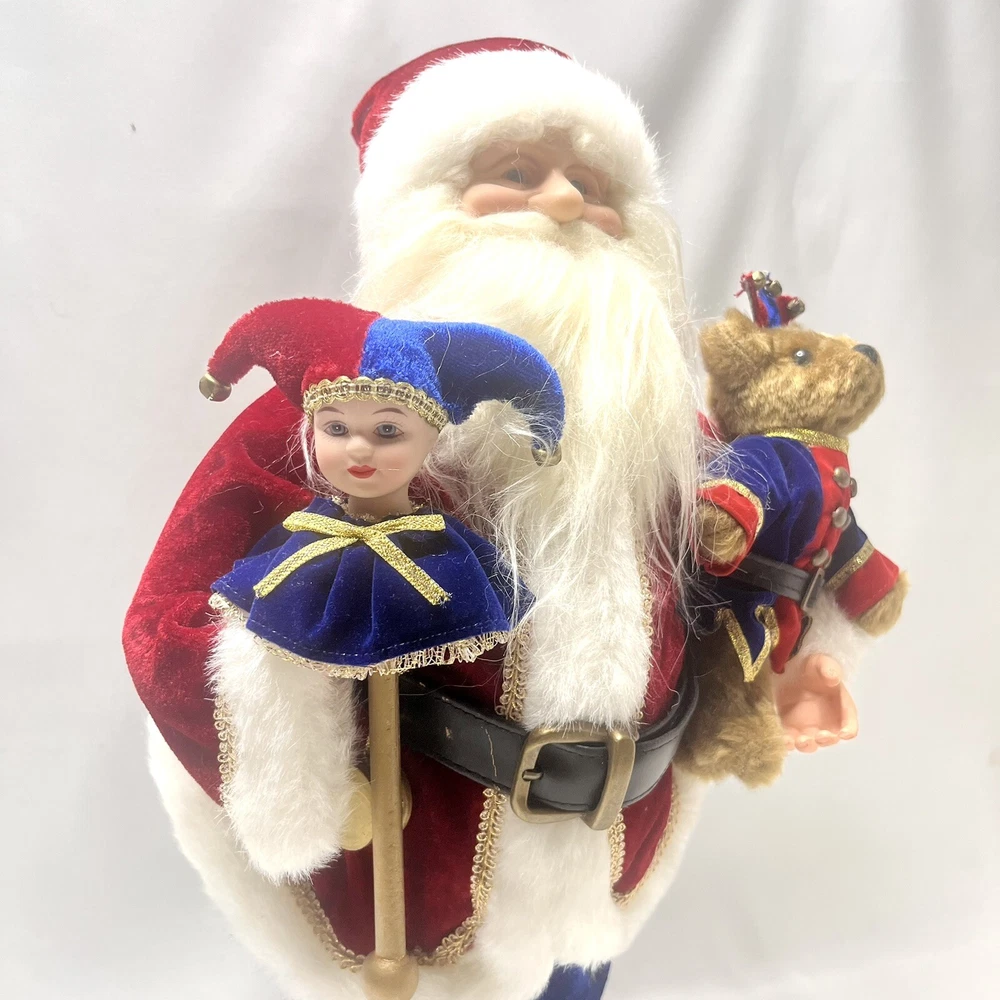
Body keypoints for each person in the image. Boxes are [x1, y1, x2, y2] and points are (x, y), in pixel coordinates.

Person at [124, 38, 863, 1000]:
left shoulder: (662, 436)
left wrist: (794, 660)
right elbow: (166, 620)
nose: (565, 203)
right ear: (423, 207)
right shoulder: (334, 424)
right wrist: (289, 727)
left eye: (594, 184)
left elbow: (729, 572)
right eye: (516, 173)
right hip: (419, 867)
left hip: (610, 856)